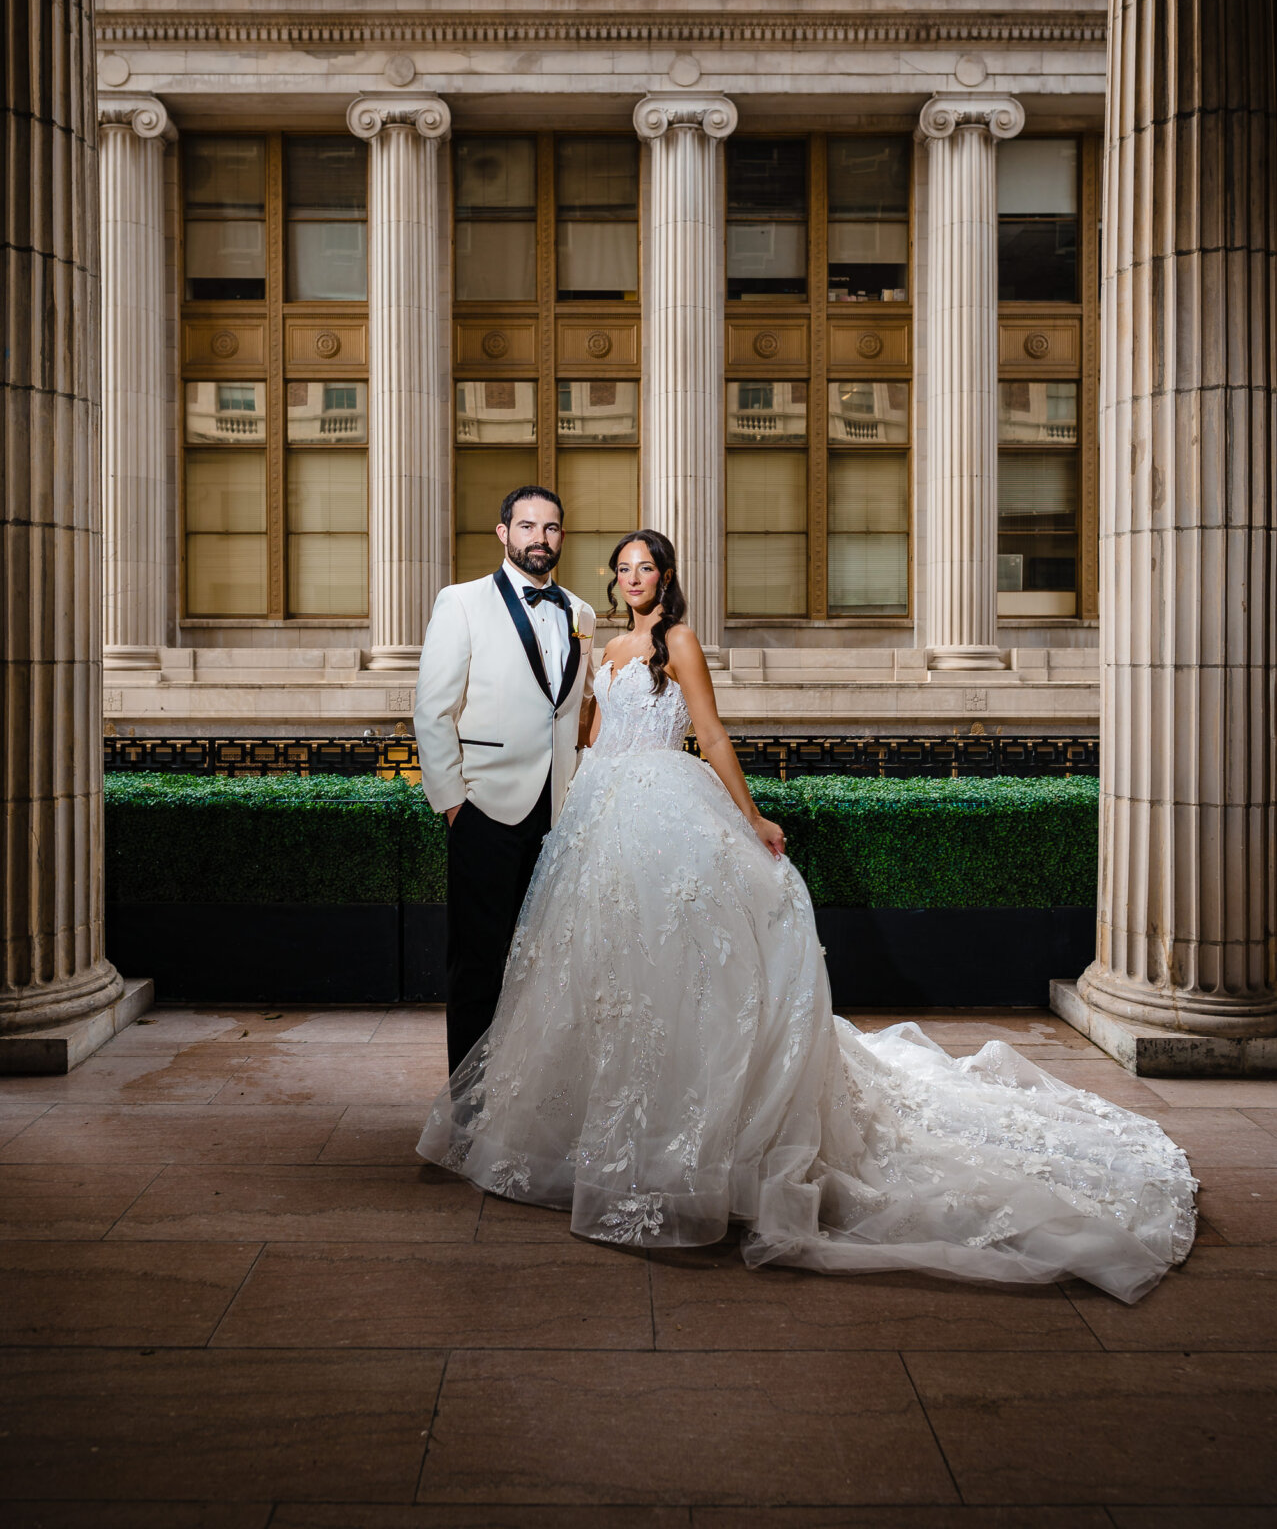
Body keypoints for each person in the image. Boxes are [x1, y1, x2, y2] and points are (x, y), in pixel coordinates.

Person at [417, 529, 1197, 1303]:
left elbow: (711, 733)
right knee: (602, 971)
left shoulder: (679, 642)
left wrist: (750, 817)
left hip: (661, 804)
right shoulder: (604, 648)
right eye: (623, 569)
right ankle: (604, 1128)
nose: (632, 579)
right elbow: (585, 735)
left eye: (644, 567)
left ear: (664, 576)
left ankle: (683, 1135)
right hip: (598, 812)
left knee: (679, 969)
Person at [413, 485, 595, 1071]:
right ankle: (470, 1108)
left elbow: (573, 710)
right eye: (527, 527)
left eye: (550, 528)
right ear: (503, 533)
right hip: (485, 809)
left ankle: (530, 1095)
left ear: (561, 537)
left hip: (560, 812)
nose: (539, 539)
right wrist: (453, 806)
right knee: (477, 962)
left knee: (546, 960)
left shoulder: (583, 613)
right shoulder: (461, 602)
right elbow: (432, 710)